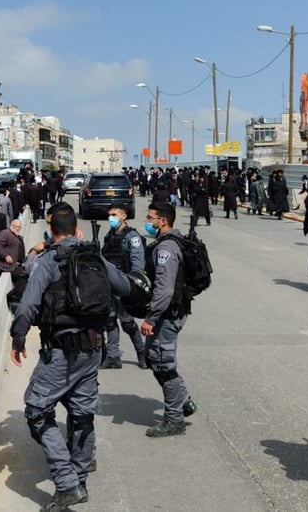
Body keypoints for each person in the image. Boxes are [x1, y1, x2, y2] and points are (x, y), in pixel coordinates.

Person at [10, 203, 131, 511]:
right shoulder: (95, 256)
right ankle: (79, 479)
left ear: (52, 231)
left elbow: (27, 305)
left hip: (61, 352)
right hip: (92, 350)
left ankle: (66, 482)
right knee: (81, 414)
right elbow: (125, 286)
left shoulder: (49, 259)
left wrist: (18, 337)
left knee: (37, 410)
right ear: (77, 229)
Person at [141, 201, 197, 438]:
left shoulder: (166, 250)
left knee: (164, 366)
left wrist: (151, 318)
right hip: (170, 312)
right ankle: (183, 402)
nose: (148, 221)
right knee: (156, 360)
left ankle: (174, 420)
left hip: (166, 315)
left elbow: (164, 290)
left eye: (150, 218)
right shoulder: (170, 243)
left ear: (163, 221)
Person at [100, 204, 147, 370]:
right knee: (110, 321)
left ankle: (142, 352)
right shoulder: (110, 235)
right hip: (110, 286)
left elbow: (137, 265)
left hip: (125, 285)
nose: (111, 217)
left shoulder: (132, 237)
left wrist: (132, 286)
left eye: (114, 214)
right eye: (109, 214)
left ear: (124, 216)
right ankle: (113, 357)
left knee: (127, 322)